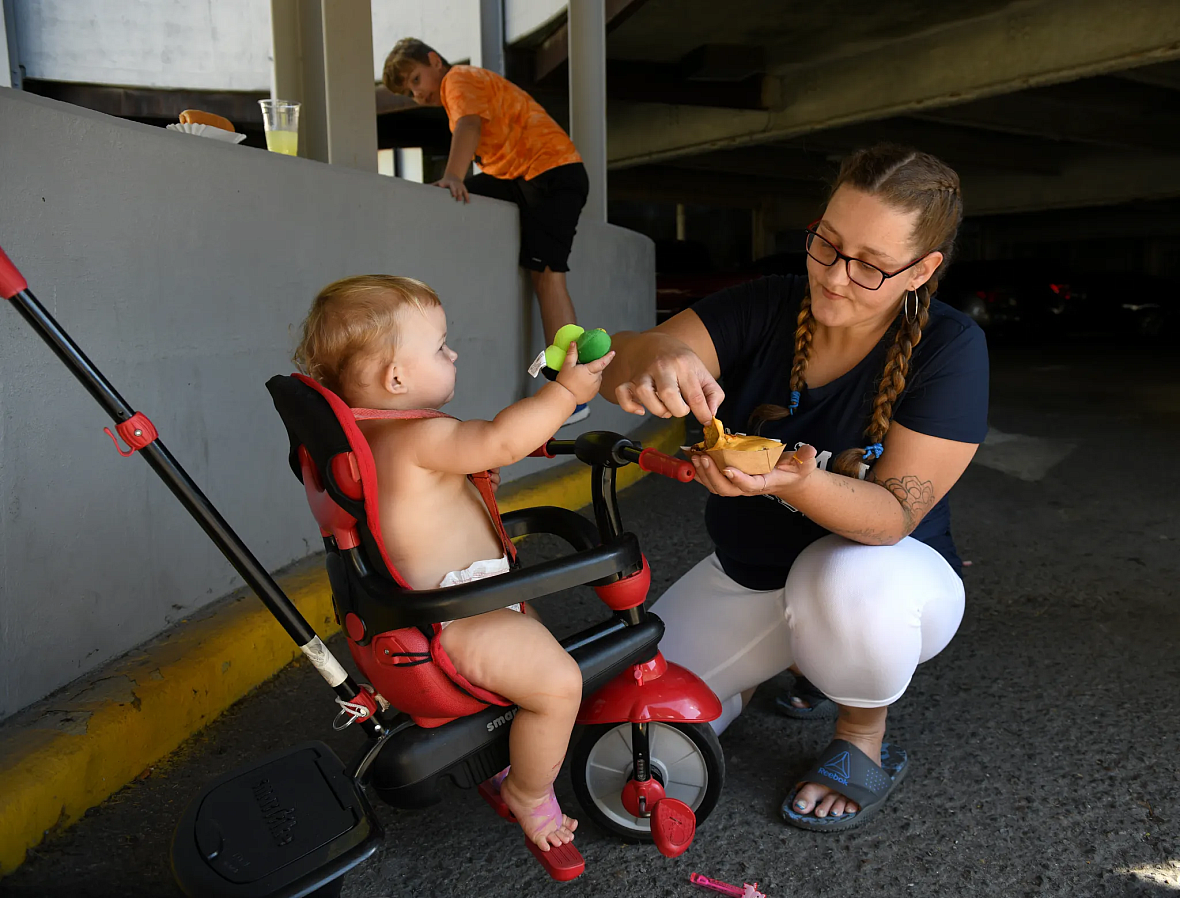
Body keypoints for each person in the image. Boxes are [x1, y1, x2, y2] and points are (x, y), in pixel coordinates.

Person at [599, 145, 989, 831]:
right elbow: (622, 362)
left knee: (841, 582)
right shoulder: (769, 303)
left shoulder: (949, 347)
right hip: (749, 574)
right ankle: (775, 665)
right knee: (625, 736)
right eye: (826, 245)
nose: (836, 278)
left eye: (870, 265)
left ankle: (861, 732)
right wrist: (652, 353)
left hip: (889, 581)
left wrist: (795, 481)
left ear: (923, 270)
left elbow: (893, 514)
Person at [293, 275, 613, 851]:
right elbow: (497, 441)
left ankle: (494, 746)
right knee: (559, 683)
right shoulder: (423, 439)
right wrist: (566, 392)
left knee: (534, 648)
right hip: (455, 621)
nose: (454, 352)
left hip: (442, 609)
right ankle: (529, 791)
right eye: (441, 346)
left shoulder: (369, 439)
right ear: (397, 377)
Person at [383, 39, 592, 424]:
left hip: (551, 176)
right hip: (524, 178)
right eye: (409, 91)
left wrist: (452, 176)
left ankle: (574, 390)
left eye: (415, 79)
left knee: (549, 278)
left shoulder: (457, 78)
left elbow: (469, 124)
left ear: (434, 60)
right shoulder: (460, 87)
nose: (417, 93)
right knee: (470, 202)